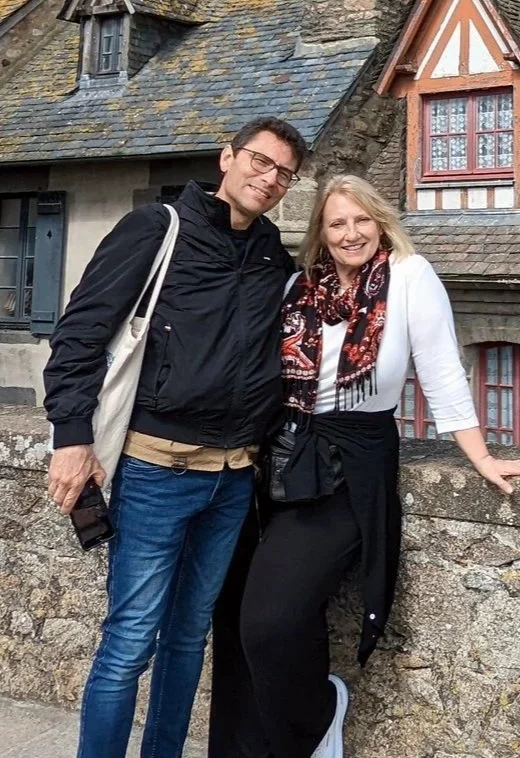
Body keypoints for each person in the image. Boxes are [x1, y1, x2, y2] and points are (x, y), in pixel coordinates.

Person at [209, 173, 520, 758]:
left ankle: (318, 717)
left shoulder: (409, 276)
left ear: (381, 222)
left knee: (271, 619)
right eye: (337, 223)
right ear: (321, 232)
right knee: (255, 616)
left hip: (353, 462)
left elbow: (441, 369)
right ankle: (281, 741)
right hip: (283, 456)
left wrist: (482, 455)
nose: (351, 233)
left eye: (361, 219)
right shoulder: (299, 287)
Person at [43, 116, 309, 758]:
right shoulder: (157, 229)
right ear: (227, 157)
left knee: (189, 638)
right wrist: (72, 437)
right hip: (155, 471)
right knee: (131, 640)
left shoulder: (272, 256)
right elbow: (79, 335)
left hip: (232, 477)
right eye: (260, 161)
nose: (269, 179)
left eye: (284, 174)